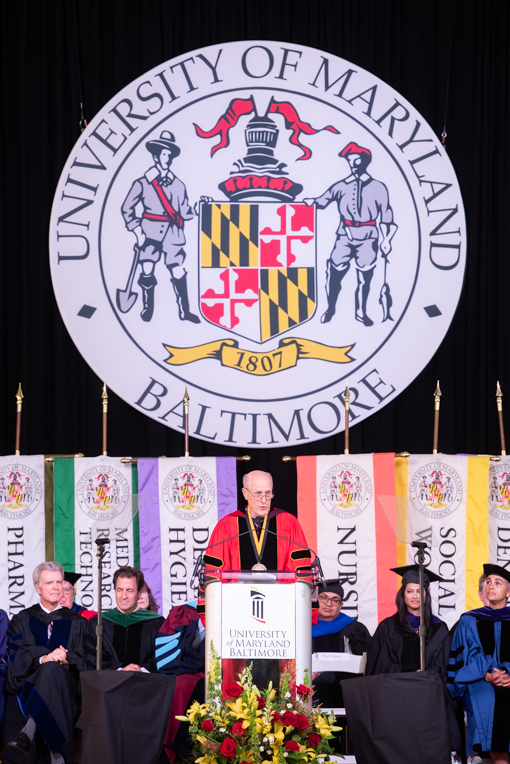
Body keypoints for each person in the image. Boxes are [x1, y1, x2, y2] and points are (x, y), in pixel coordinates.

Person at [304, 141, 397, 326]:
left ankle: (361, 313)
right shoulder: (341, 186)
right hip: (344, 236)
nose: (353, 164)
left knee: (365, 278)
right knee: (334, 273)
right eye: (350, 160)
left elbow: (387, 218)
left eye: (357, 160)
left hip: (369, 238)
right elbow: (323, 200)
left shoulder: (379, 187)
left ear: (365, 161)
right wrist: (311, 201)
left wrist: (387, 240)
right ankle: (330, 309)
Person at [2, 561, 87, 764]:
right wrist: (43, 657)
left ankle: (28, 731)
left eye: (59, 582)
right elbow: (15, 664)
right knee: (48, 668)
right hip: (28, 686)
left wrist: (65, 659)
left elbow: (86, 662)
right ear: (38, 588)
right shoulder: (22, 619)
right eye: (49, 583)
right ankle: (56, 754)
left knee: (52, 671)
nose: (56, 587)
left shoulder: (78, 622)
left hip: (66, 689)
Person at [121, 130, 200, 323]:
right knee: (147, 268)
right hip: (150, 232)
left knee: (178, 270)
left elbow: (184, 211)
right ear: (156, 156)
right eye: (164, 154)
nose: (168, 158)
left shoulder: (179, 185)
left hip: (173, 234)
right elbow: (126, 207)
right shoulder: (142, 183)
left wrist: (196, 210)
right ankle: (148, 309)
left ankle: (185, 311)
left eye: (170, 155)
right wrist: (137, 230)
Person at [448, 563, 510, 764]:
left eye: (498, 583)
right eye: (489, 582)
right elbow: (465, 657)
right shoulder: (469, 620)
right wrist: (487, 674)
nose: (491, 586)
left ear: (508, 592)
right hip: (480, 680)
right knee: (486, 699)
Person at [366, 564, 450, 676]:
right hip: (393, 688)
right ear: (403, 593)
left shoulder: (439, 629)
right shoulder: (388, 627)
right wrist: (407, 674)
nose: (415, 596)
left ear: (427, 592)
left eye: (419, 591)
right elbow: (377, 664)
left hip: (426, 688)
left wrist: (427, 674)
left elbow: (441, 666)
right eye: (409, 591)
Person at [86, 566, 164, 672]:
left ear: (140, 593)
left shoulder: (156, 623)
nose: (124, 596)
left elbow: (161, 655)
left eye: (129, 591)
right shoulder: (99, 622)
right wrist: (119, 671)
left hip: (146, 683)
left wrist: (141, 671)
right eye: (119, 590)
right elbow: (92, 657)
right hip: (110, 684)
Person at [312, 579, 371, 708]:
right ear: (315, 600)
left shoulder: (355, 629)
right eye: (324, 598)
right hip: (308, 691)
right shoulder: (301, 627)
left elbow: (366, 667)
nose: (329, 603)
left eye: (335, 600)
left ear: (341, 605)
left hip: (341, 695)